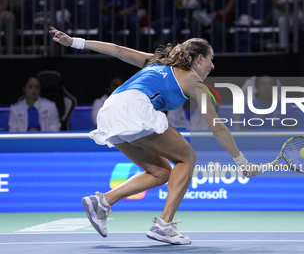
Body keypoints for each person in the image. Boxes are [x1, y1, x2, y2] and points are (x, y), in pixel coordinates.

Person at [50, 26, 260, 245]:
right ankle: (164, 225)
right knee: (188, 157)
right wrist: (241, 161)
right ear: (199, 58)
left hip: (110, 110)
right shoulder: (196, 82)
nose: (213, 65)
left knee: (160, 172)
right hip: (135, 109)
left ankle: (102, 202)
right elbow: (217, 127)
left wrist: (74, 41)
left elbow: (118, 50)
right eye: (211, 59)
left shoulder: (157, 61)